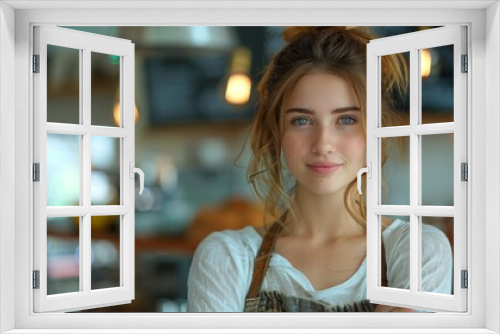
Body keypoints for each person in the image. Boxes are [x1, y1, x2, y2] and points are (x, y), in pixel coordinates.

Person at [186, 26, 453, 312]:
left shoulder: (420, 250)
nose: (323, 143)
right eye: (302, 121)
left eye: (347, 119)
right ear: (277, 132)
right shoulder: (225, 257)